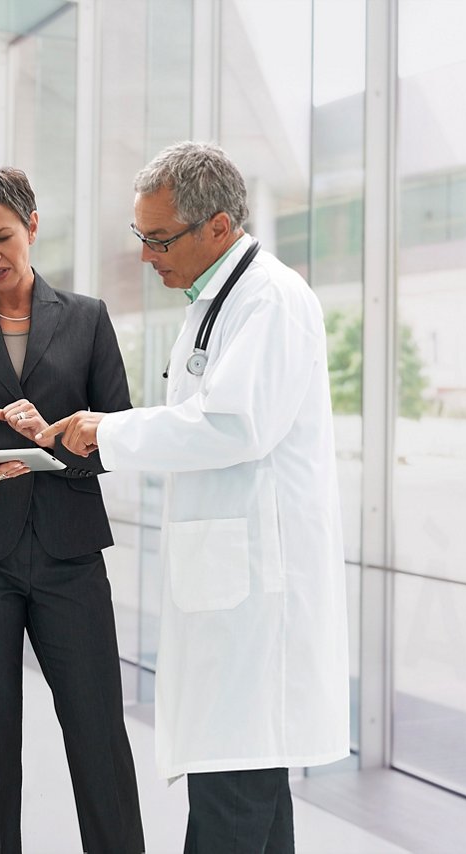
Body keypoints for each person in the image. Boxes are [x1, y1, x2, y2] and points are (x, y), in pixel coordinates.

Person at [39, 142, 350, 854]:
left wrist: (106, 432)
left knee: (232, 797)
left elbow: (232, 424)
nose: (146, 255)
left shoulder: (271, 299)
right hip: (226, 597)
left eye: (159, 238)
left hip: (254, 604)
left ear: (216, 225)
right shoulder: (216, 302)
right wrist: (95, 434)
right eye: (140, 237)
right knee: (247, 797)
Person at [0, 166, 144, 854]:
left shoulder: (89, 319)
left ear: (33, 226)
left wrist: (54, 437)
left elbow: (117, 437)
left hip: (70, 555)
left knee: (97, 730)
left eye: (3, 237)